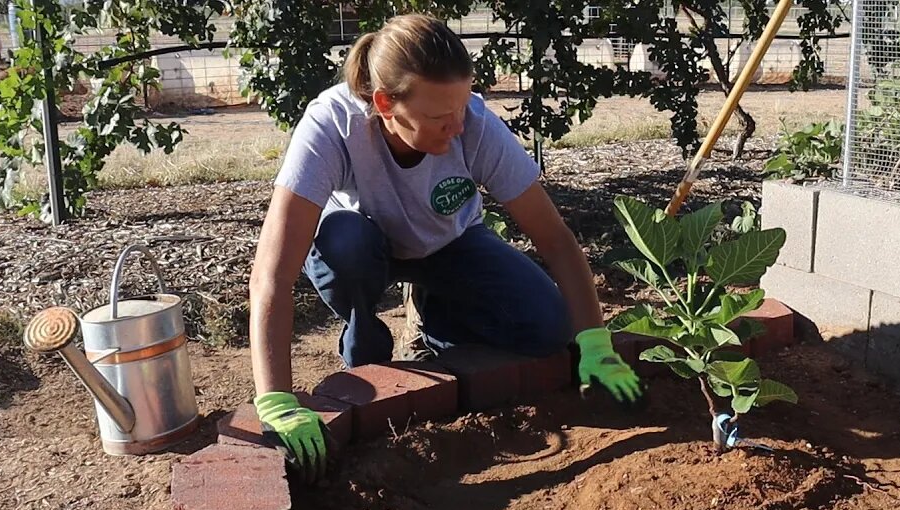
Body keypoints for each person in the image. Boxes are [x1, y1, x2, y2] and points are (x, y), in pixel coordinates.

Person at [248, 13, 642, 480]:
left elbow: (555, 238)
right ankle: (365, 338)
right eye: (438, 117)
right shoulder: (332, 124)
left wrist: (595, 342)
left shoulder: (472, 124)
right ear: (385, 103)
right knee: (346, 241)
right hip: (363, 248)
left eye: (461, 107)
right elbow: (272, 273)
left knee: (548, 327)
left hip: (450, 244)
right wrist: (276, 399)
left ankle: (440, 324)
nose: (457, 126)